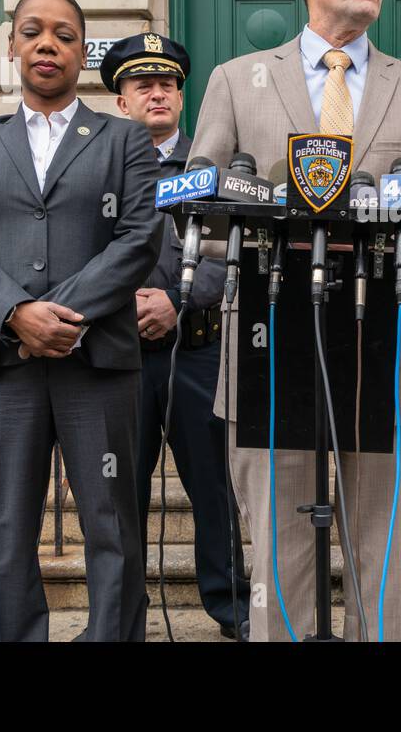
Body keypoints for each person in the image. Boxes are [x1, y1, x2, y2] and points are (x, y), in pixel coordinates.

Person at [187, 0, 401, 641]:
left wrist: (381, 229)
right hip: (266, 349)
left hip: (383, 355)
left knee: (376, 563)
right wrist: (281, 223)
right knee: (279, 564)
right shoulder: (234, 80)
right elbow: (196, 210)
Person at [0, 0, 164, 641]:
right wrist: (15, 313)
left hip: (99, 363)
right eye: (32, 31)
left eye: (63, 34)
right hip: (3, 365)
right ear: (11, 45)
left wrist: (58, 315)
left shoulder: (124, 139)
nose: (47, 44)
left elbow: (139, 238)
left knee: (111, 523)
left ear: (82, 52)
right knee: (6, 527)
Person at [104, 31, 250, 640]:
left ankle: (234, 608)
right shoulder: (100, 163)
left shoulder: (210, 166)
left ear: (182, 97)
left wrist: (179, 298)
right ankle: (121, 617)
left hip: (196, 348)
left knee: (214, 491)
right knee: (118, 498)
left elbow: (235, 249)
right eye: (143, 85)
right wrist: (115, 302)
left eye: (167, 84)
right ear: (121, 101)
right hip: (116, 357)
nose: (157, 93)